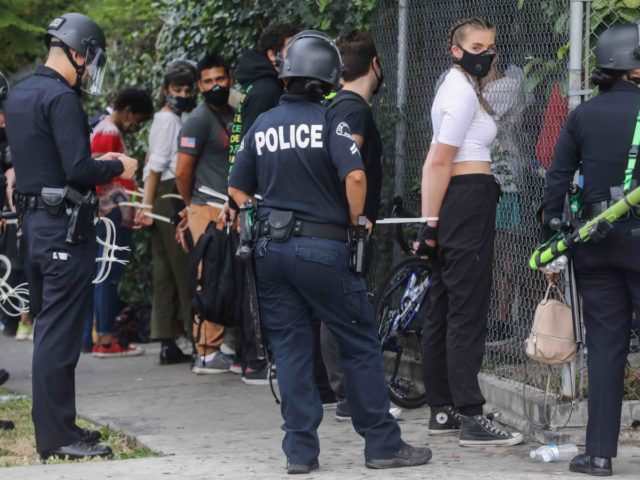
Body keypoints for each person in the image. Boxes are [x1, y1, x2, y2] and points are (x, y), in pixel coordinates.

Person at [228, 30, 431, 473]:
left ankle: (300, 454)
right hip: (323, 249)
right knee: (358, 342)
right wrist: (357, 223)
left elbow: (237, 185)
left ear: (285, 76)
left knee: (292, 349)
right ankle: (381, 444)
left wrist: (254, 211)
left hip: (270, 250)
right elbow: (355, 178)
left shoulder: (262, 126)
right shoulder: (330, 120)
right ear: (327, 77)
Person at [4, 12, 138, 459]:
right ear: (78, 52)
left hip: (34, 227)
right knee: (59, 336)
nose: (89, 69)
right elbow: (79, 169)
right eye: (90, 59)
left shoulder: (21, 94)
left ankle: (59, 426)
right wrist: (120, 165)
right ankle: (57, 438)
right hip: (62, 226)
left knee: (50, 331)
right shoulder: (61, 98)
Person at [416, 17, 523, 446]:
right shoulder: (459, 92)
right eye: (477, 46)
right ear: (456, 50)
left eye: (491, 46)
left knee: (444, 304)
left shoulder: (458, 87)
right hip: (466, 198)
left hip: (459, 199)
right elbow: (437, 160)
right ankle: (471, 414)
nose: (487, 54)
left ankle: (443, 410)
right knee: (467, 307)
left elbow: (435, 160)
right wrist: (430, 223)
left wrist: (433, 222)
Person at [541, 23, 640, 477]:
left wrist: (555, 230)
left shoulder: (582, 115)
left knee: (605, 348)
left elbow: (557, 180)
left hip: (593, 244)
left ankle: (599, 454)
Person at [319, 29, 401, 421]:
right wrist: (358, 220)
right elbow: (347, 166)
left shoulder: (334, 104)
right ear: (374, 64)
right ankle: (351, 398)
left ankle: (346, 395)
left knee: (338, 309)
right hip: (349, 227)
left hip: (336, 225)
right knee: (345, 311)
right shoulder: (354, 110)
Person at [229, 22, 297, 384]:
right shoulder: (268, 89)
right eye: (291, 47)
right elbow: (252, 150)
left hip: (250, 196)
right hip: (259, 200)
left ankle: (257, 358)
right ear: (273, 55)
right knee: (258, 282)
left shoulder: (257, 86)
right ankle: (256, 360)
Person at [175, 52, 236, 374]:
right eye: (209, 81)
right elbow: (182, 170)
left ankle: (218, 344)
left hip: (227, 209)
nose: (215, 85)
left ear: (230, 79)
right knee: (208, 278)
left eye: (220, 79)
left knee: (224, 277)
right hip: (205, 207)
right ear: (199, 85)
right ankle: (206, 352)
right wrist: (192, 206)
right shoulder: (198, 119)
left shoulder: (232, 112)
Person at [135, 60, 197, 365]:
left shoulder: (168, 118)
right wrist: (146, 206)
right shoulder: (168, 120)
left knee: (165, 272)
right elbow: (156, 165)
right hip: (169, 194)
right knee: (183, 269)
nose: (183, 94)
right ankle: (198, 339)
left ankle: (167, 340)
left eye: (187, 89)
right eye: (177, 89)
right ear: (166, 91)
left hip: (160, 194)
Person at [87, 87, 153, 357]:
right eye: (136, 120)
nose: (135, 126)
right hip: (110, 213)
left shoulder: (104, 129)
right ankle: (105, 339)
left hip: (111, 212)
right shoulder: (108, 131)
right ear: (128, 112)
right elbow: (100, 173)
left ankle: (101, 335)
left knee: (106, 274)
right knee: (108, 275)